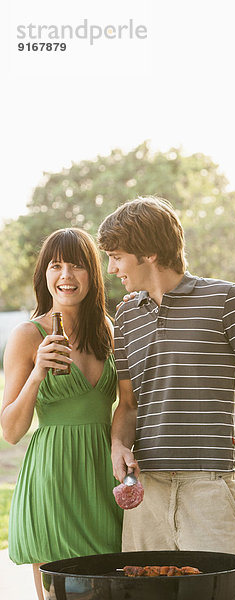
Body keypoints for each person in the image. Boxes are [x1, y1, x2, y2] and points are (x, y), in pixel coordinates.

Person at [97, 196, 235, 556]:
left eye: (117, 256)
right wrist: (118, 444)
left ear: (148, 252)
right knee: (144, 594)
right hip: (147, 491)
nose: (111, 269)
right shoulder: (126, 318)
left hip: (210, 487)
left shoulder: (225, 299)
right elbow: (129, 404)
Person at [1, 228, 122, 600]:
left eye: (77, 265)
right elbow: (10, 430)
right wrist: (37, 372)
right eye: (56, 266)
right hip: (53, 478)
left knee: (112, 587)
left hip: (104, 477)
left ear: (92, 275)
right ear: (45, 275)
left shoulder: (108, 331)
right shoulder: (28, 335)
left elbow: (125, 407)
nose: (66, 275)